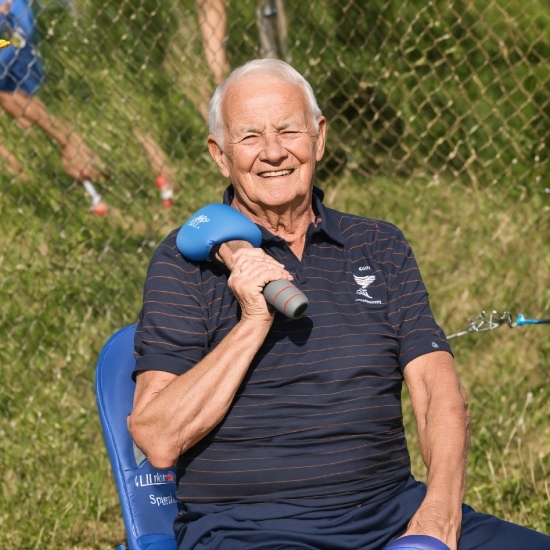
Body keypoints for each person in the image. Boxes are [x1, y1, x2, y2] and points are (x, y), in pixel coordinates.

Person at [129, 59, 550, 550]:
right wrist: (253, 320)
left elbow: (439, 394)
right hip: (251, 530)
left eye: (288, 130)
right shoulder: (185, 262)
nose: (272, 152)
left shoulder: (379, 245)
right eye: (248, 137)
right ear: (219, 155)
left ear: (318, 137)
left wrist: (440, 514)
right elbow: (157, 436)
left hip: (393, 511)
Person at [0, 0, 108, 212]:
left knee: (13, 97)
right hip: (15, 21)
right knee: (20, 100)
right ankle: (66, 157)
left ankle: (67, 154)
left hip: (11, 22)